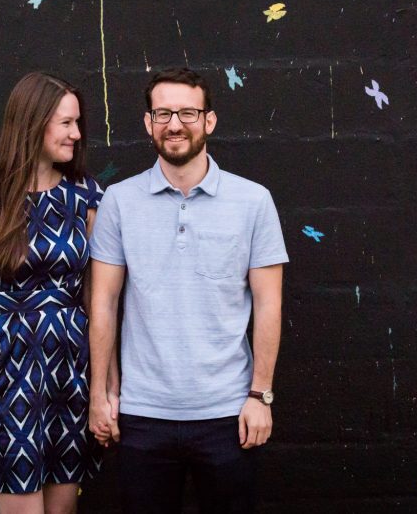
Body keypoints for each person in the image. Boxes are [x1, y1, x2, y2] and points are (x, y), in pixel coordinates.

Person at [87, 67, 288, 513]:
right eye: (163, 113)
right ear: (148, 122)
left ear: (209, 121)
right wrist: (99, 397)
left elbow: (269, 303)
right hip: (142, 415)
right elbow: (103, 302)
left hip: (229, 414)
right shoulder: (119, 201)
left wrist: (260, 396)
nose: (174, 124)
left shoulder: (254, 201)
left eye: (187, 113)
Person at [0, 72, 116, 514]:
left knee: (63, 511)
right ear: (33, 122)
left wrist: (108, 387)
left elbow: (97, 302)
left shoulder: (86, 195)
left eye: (78, 123)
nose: (77, 135)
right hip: (7, 373)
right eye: (65, 123)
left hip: (70, 370)